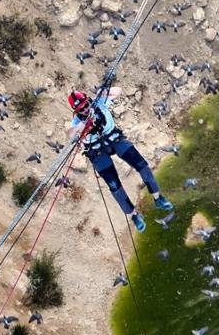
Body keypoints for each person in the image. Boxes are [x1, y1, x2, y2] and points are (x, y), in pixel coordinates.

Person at [67, 88, 172, 232]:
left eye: (86, 105)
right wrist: (80, 126)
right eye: (81, 109)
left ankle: (158, 198)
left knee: (142, 165)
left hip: (114, 139)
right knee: (114, 186)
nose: (85, 109)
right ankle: (134, 215)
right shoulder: (77, 121)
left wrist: (103, 91)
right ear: (76, 111)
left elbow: (118, 91)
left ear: (88, 100)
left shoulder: (99, 103)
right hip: (96, 151)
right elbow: (70, 134)